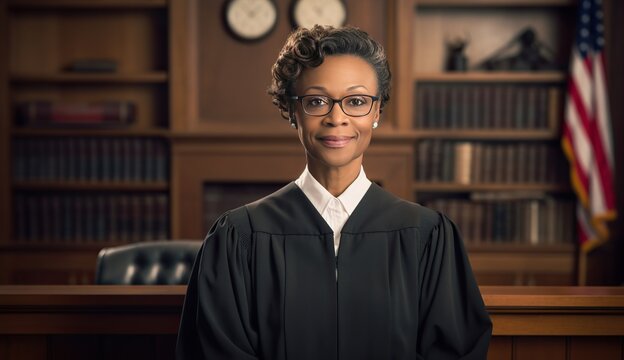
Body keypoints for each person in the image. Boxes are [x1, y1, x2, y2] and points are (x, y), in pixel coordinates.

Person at [176, 25, 492, 360]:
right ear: (291, 112)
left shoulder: (427, 235)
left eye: (356, 101)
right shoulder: (240, 236)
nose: (337, 117)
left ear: (376, 112)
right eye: (316, 101)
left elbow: (454, 352)